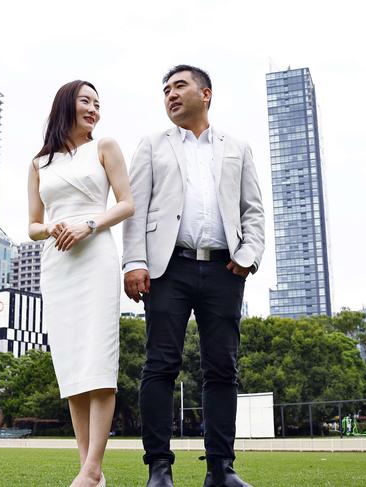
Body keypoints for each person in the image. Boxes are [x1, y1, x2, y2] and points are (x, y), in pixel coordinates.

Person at [122, 65, 264, 487]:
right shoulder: (151, 145)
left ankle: (221, 469)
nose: (170, 94)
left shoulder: (237, 147)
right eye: (165, 90)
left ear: (206, 93)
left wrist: (248, 256)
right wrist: (134, 262)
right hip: (168, 268)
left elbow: (253, 209)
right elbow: (137, 208)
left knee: (222, 368)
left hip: (225, 269)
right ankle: (159, 469)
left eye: (179, 86)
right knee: (160, 364)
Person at [28, 80, 135, 487]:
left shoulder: (105, 147)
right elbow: (33, 224)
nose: (94, 109)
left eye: (98, 103)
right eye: (85, 101)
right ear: (65, 106)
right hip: (58, 264)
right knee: (73, 367)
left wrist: (89, 224)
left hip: (96, 257)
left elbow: (126, 202)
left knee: (99, 363)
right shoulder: (39, 163)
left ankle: (92, 469)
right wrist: (49, 228)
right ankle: (89, 470)